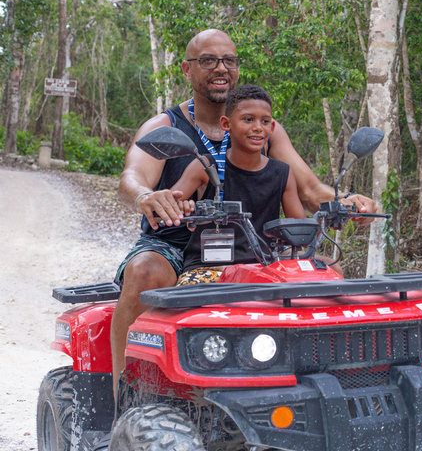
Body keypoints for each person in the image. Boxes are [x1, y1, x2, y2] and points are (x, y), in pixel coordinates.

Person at [112, 29, 376, 393]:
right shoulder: (166, 125)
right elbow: (132, 176)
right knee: (144, 272)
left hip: (255, 244)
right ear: (187, 70)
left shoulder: (264, 127)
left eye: (229, 61)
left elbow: (310, 189)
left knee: (327, 271)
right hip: (177, 242)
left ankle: (328, 383)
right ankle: (126, 399)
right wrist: (146, 196)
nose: (221, 68)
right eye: (208, 61)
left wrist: (348, 202)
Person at [171, 84, 306, 284]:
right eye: (248, 119)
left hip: (263, 267)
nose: (258, 127)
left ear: (272, 127)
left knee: (328, 271)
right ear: (226, 123)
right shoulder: (207, 166)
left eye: (265, 121)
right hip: (209, 268)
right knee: (192, 304)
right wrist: (181, 207)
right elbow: (169, 202)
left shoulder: (282, 173)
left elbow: (300, 232)